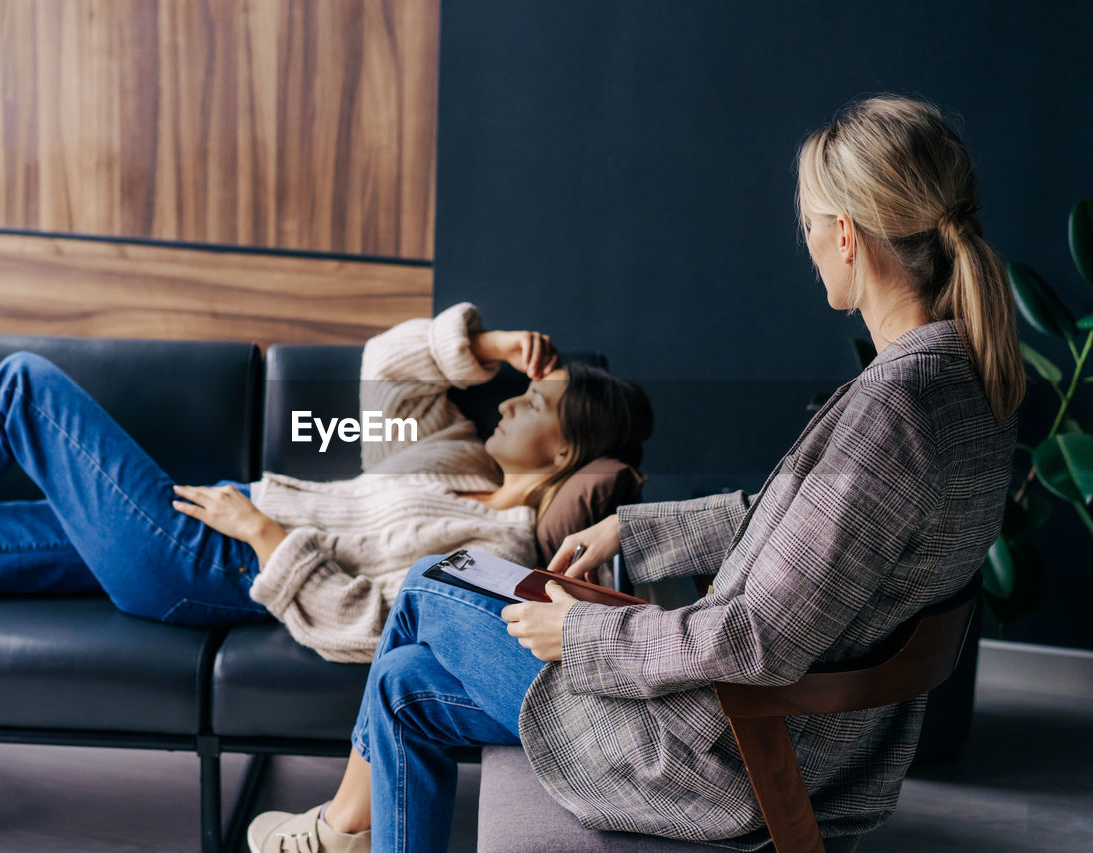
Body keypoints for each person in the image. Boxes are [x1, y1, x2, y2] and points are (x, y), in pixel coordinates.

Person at [246, 94, 1024, 852]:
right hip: (782, 734)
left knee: (427, 584)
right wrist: (632, 527)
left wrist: (581, 631)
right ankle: (345, 833)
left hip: (723, 752)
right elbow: (796, 523)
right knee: (407, 683)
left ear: (848, 236)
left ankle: (336, 833)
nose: (811, 243)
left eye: (812, 226)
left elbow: (755, 640)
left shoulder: (893, 413)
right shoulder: (963, 385)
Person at [0, 303, 652, 662]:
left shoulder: (497, 545)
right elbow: (385, 370)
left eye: (536, 402)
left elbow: (376, 625)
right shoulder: (453, 460)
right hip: (197, 526)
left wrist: (263, 534)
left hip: (209, 562)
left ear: (564, 454)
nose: (511, 401)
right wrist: (493, 342)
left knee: (24, 388)